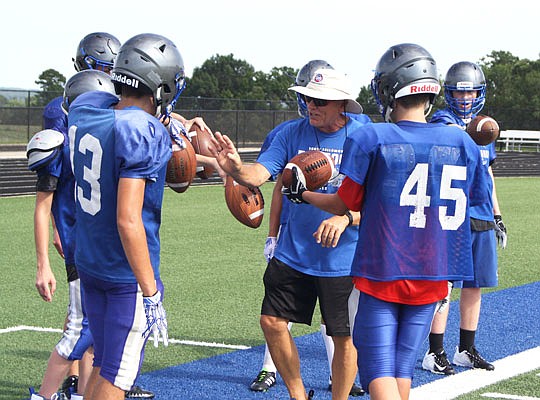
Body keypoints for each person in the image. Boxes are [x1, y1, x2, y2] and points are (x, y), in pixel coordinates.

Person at [283, 43, 491, 400]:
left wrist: (303, 195)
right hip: (435, 274)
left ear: (389, 90)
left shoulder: (373, 137)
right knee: (400, 370)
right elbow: (475, 202)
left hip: (384, 270)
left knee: (377, 370)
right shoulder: (461, 142)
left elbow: (342, 202)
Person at [212, 68, 364, 400]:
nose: (311, 105)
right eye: (308, 98)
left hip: (344, 257)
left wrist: (346, 218)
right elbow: (260, 174)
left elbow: (382, 200)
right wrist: (236, 169)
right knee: (271, 322)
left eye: (320, 100)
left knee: (344, 337)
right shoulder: (289, 133)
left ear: (342, 104)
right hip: (293, 252)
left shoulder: (364, 136)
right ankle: (298, 396)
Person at [68, 33, 184, 400]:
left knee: (104, 363)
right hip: (124, 273)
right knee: (118, 376)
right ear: (161, 85)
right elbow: (128, 219)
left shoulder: (87, 108)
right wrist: (150, 292)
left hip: (90, 261)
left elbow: (116, 106)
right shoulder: (142, 130)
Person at [27, 32, 121, 400]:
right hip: (81, 240)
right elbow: (47, 199)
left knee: (95, 331)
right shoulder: (60, 118)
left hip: (100, 237)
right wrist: (43, 262)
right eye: (101, 67)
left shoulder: (109, 113)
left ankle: (83, 393)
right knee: (79, 329)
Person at [421, 61, 507, 375]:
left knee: (475, 285)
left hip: (481, 213)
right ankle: (435, 351)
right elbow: (449, 136)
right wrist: (474, 129)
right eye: (459, 91)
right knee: (444, 285)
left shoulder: (484, 124)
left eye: (470, 90)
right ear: (449, 93)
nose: (465, 97)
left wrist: (497, 214)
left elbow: (488, 172)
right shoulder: (444, 121)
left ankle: (466, 349)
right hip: (451, 213)